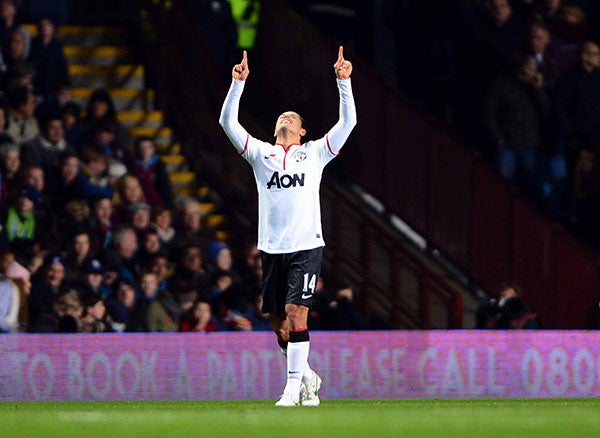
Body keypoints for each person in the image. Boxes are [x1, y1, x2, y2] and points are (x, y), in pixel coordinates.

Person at [219, 46, 356, 406]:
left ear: (302, 130)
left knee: (297, 313)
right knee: (280, 325)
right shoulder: (259, 153)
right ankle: (308, 376)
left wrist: (345, 83)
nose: (287, 118)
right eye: (284, 115)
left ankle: (292, 388)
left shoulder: (314, 154)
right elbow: (227, 124)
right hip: (272, 248)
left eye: (293, 117)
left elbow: (347, 124)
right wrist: (238, 85)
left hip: (307, 245)